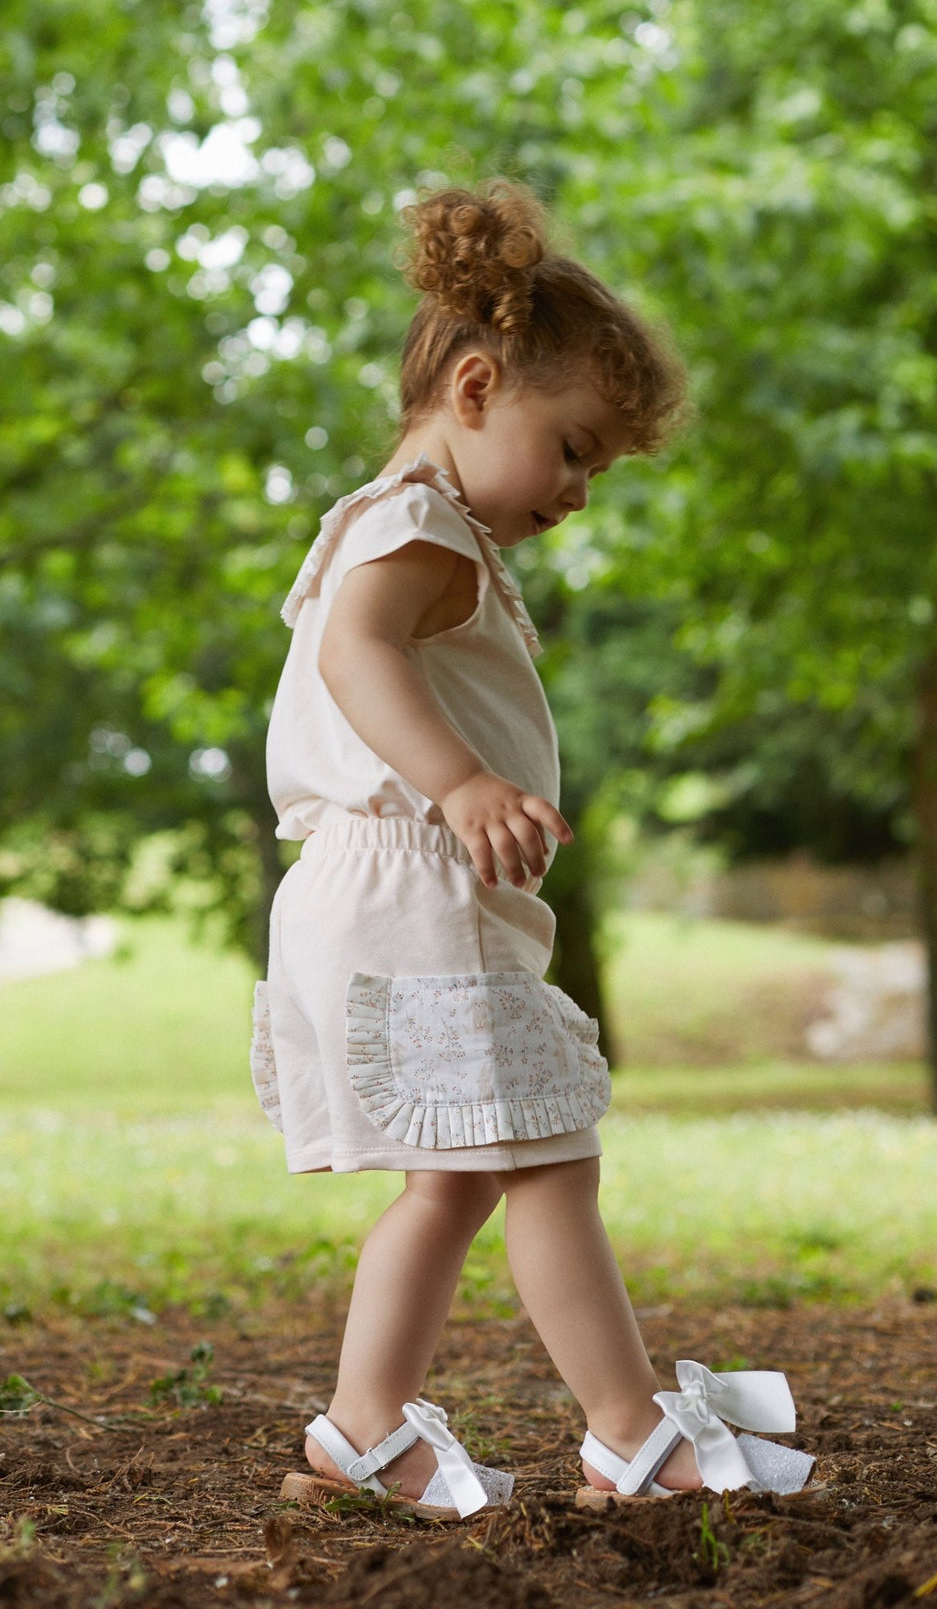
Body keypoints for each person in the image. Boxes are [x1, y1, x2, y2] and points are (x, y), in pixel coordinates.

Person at [251, 180, 813, 1517]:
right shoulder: (417, 526)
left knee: (453, 1184)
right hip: (405, 891)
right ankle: (631, 1434)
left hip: (386, 894)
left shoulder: (409, 524)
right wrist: (454, 781)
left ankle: (364, 1424)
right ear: (480, 384)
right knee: (548, 1157)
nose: (578, 491)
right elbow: (352, 654)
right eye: (573, 449)